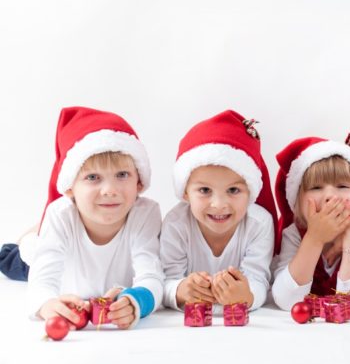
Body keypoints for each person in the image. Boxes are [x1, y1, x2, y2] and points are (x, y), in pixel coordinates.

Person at [27, 106, 163, 329]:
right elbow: (41, 279)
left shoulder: (145, 213)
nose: (109, 190)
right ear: (70, 187)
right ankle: (30, 235)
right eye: (93, 177)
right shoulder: (61, 214)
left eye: (122, 175)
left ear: (139, 182)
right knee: (19, 259)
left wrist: (136, 300)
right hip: (59, 261)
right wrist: (46, 303)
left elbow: (153, 275)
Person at [160, 110, 276, 313]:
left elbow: (259, 278)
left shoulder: (259, 223)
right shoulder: (176, 223)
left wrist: (247, 296)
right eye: (205, 190)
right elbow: (166, 278)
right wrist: (180, 290)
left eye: (233, 190)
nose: (219, 204)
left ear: (250, 191)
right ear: (185, 192)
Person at [271, 135, 350, 310]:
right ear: (297, 205)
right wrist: (314, 239)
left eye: (342, 186)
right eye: (316, 188)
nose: (330, 196)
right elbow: (286, 300)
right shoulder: (294, 235)